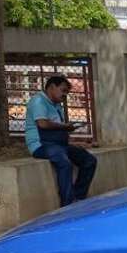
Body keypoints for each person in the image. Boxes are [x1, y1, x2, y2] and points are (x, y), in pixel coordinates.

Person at [25, 75, 97, 207]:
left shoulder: (56, 105)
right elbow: (43, 124)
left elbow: (58, 130)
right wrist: (65, 126)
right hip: (41, 145)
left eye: (66, 93)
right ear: (52, 87)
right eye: (63, 91)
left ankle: (78, 196)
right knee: (64, 163)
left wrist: (77, 142)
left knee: (89, 160)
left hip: (58, 145)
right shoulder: (38, 101)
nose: (64, 95)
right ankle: (67, 203)